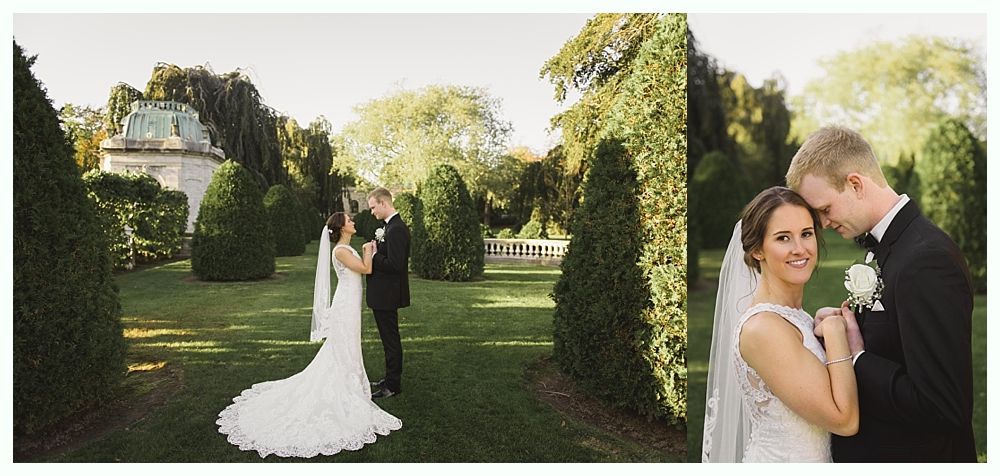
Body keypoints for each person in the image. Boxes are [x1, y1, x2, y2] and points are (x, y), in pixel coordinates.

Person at [786, 126, 976, 462]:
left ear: (856, 184)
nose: (823, 224)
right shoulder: (892, 247)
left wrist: (858, 357)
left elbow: (942, 405)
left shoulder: (926, 260)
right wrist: (848, 328)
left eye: (825, 209)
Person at [216, 213, 401, 458]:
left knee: (348, 346)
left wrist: (368, 249)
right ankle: (345, 385)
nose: (353, 221)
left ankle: (352, 380)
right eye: (349, 219)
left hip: (350, 305)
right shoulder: (341, 251)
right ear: (341, 227)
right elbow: (366, 269)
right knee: (344, 346)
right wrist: (370, 250)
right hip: (345, 306)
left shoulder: (346, 247)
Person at [702, 186, 859, 463]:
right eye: (783, 238)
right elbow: (844, 420)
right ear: (757, 250)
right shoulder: (764, 329)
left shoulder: (792, 316)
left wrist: (818, 324)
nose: (800, 249)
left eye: (806, 234)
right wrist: (835, 334)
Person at [365, 187, 411, 399]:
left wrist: (374, 256)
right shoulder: (388, 227)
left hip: (388, 294)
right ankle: (389, 379)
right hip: (382, 294)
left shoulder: (396, 229)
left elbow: (395, 264)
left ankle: (392, 385)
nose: (372, 212)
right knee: (388, 339)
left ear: (384, 203)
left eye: (373, 207)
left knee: (391, 340)